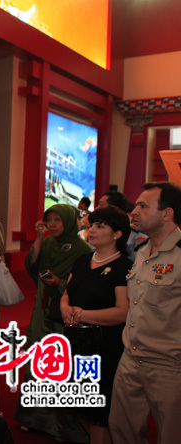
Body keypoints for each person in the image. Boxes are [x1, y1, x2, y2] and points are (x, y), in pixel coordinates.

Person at [14, 203, 93, 443]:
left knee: (61, 369)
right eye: (49, 220)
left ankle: (60, 425)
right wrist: (38, 239)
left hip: (64, 313)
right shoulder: (47, 243)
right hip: (42, 309)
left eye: (58, 220)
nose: (52, 225)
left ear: (69, 222)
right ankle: (32, 418)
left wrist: (60, 284)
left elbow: (84, 285)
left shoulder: (82, 249)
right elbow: (32, 268)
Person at [109, 182, 181, 444]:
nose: (134, 211)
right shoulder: (141, 252)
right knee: (121, 431)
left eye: (142, 205)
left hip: (169, 367)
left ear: (167, 213)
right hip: (130, 359)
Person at [60, 206, 132, 444]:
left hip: (104, 346)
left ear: (117, 234)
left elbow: (123, 312)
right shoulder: (82, 260)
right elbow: (68, 293)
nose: (92, 230)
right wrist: (64, 307)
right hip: (75, 343)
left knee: (99, 412)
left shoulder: (123, 267)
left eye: (101, 226)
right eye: (92, 225)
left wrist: (82, 315)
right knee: (80, 405)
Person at [98, 190, 147, 261]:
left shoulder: (135, 235)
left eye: (101, 205)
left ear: (114, 208)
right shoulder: (95, 231)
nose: (97, 208)